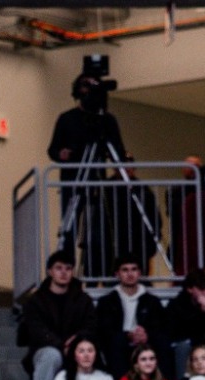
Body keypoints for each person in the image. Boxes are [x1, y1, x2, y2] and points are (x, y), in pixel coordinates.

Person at [46, 72, 129, 261]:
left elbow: (118, 151)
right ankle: (67, 266)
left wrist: (119, 161)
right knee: (70, 228)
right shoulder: (67, 118)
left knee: (99, 230)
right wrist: (62, 154)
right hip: (72, 181)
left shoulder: (107, 121)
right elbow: (52, 150)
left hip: (97, 181)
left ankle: (97, 269)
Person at [19, 249, 97, 380]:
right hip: (45, 349)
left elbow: (91, 325)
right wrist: (62, 346)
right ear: (50, 271)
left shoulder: (83, 300)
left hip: (76, 348)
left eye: (68, 268)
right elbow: (36, 331)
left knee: (88, 352)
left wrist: (75, 343)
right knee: (52, 355)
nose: (64, 272)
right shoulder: (36, 300)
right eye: (59, 268)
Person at [95, 257, 169, 378]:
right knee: (116, 342)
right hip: (119, 344)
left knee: (162, 342)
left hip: (146, 343)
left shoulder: (152, 301)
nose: (130, 274)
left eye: (134, 269)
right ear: (117, 274)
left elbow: (161, 327)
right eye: (125, 270)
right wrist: (128, 335)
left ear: (139, 273)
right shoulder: (107, 302)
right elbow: (104, 330)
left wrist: (146, 335)